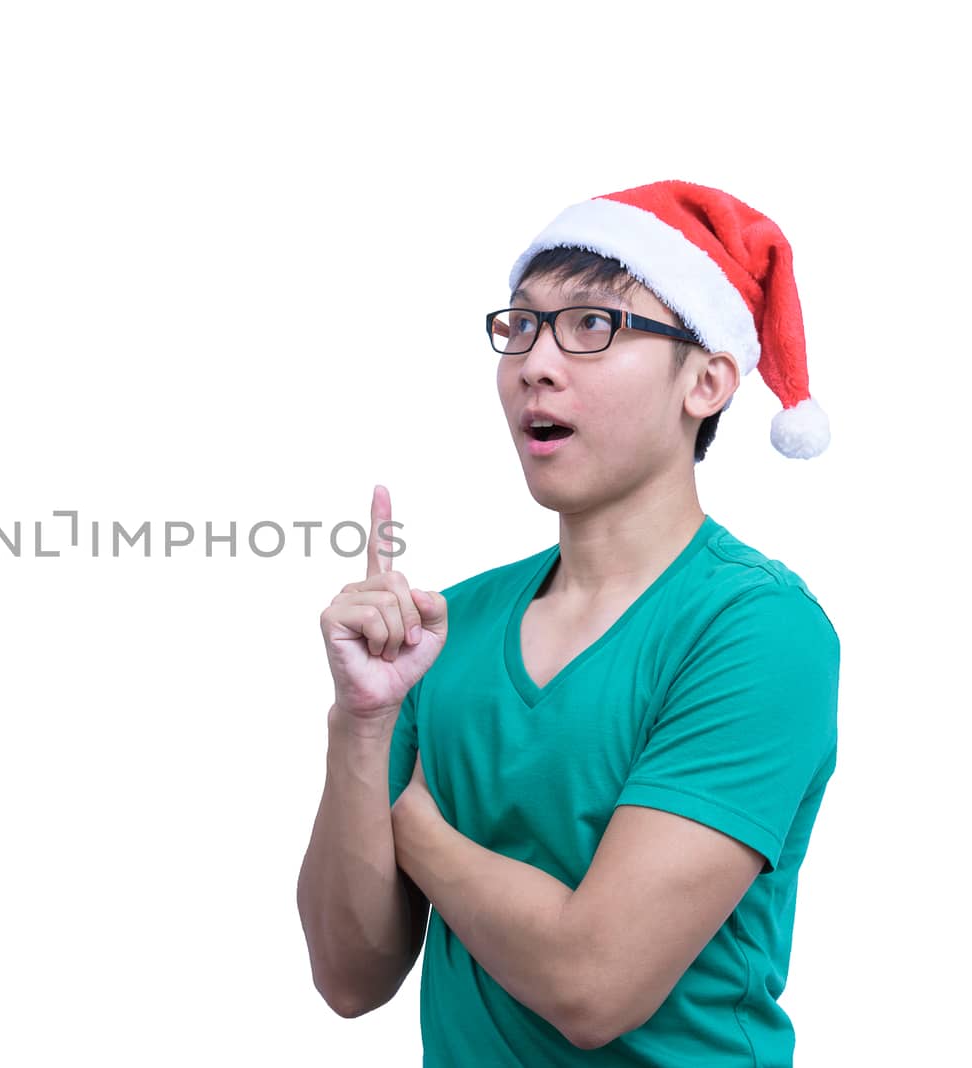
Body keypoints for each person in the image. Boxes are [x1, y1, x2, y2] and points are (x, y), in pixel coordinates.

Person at [296, 180, 840, 1066]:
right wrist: (361, 726)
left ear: (707, 381)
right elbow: (351, 980)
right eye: (521, 326)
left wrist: (412, 822)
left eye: (594, 325)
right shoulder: (448, 626)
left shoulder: (758, 633)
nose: (536, 364)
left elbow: (596, 984)